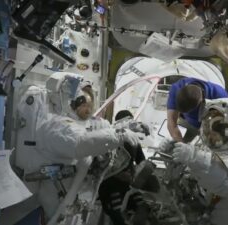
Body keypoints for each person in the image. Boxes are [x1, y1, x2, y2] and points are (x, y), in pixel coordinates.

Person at [16, 72, 142, 220]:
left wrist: (129, 125)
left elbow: (103, 128)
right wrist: (119, 136)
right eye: (83, 105)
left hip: (72, 197)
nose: (88, 110)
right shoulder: (57, 126)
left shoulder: (82, 123)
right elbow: (81, 142)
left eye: (90, 105)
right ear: (71, 103)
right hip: (57, 201)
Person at [162, 98, 228, 225]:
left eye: (219, 129)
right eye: (209, 127)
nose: (211, 135)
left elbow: (224, 182)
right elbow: (194, 169)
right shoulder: (214, 154)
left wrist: (194, 157)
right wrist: (171, 153)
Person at [98, 110, 146, 225]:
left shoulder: (134, 142)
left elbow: (142, 161)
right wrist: (119, 175)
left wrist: (136, 172)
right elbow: (99, 168)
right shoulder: (109, 142)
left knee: (143, 208)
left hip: (127, 186)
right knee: (118, 215)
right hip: (110, 187)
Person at [167, 77, 228, 143]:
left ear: (201, 101)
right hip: (185, 122)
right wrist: (179, 143)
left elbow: (224, 131)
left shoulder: (219, 95)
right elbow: (172, 123)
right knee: (175, 148)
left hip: (209, 126)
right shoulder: (176, 88)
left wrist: (195, 152)